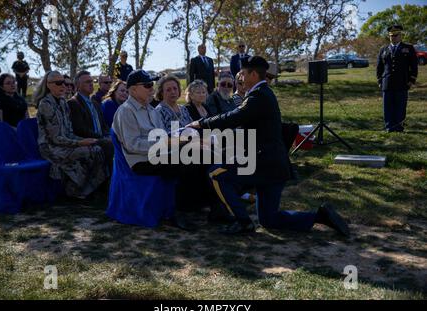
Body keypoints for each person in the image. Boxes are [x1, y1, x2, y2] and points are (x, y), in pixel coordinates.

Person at [187, 56, 350, 236]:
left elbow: (232, 118)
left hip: (262, 162)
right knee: (269, 220)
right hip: (273, 165)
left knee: (216, 174)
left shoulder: (258, 96)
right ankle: (320, 216)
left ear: (254, 75)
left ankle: (243, 222)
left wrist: (201, 124)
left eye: (243, 73)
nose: (239, 77)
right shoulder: (262, 94)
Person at [111, 70, 196, 230]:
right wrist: (166, 144)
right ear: (133, 89)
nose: (151, 88)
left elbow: (162, 136)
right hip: (140, 161)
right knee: (185, 159)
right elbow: (133, 145)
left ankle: (195, 205)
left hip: (157, 155)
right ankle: (174, 213)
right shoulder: (126, 111)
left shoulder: (150, 109)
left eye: (152, 84)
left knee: (196, 154)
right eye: (147, 85)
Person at [34, 71, 108, 199]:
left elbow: (68, 132)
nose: (63, 86)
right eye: (58, 83)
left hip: (65, 143)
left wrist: (84, 140)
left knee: (96, 147)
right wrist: (79, 143)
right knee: (89, 151)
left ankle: (88, 189)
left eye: (64, 82)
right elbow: (55, 138)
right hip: (51, 147)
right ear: (48, 85)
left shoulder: (63, 102)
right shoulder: (46, 104)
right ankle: (75, 190)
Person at [68, 71, 113, 172]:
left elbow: (103, 125)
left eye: (92, 81)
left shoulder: (95, 103)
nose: (91, 84)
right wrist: (102, 138)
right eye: (87, 82)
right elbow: (80, 129)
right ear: (78, 86)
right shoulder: (73, 103)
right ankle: (109, 181)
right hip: (88, 140)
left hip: (101, 138)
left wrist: (109, 134)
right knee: (110, 146)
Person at [377, 25, 418, 133]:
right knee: (388, 106)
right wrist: (379, 80)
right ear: (389, 36)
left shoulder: (408, 48)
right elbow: (379, 67)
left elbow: (414, 65)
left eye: (396, 35)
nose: (393, 37)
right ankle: (389, 127)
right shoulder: (383, 49)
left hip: (402, 82)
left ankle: (399, 127)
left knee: (400, 106)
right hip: (387, 82)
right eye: (391, 36)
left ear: (401, 35)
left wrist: (411, 80)